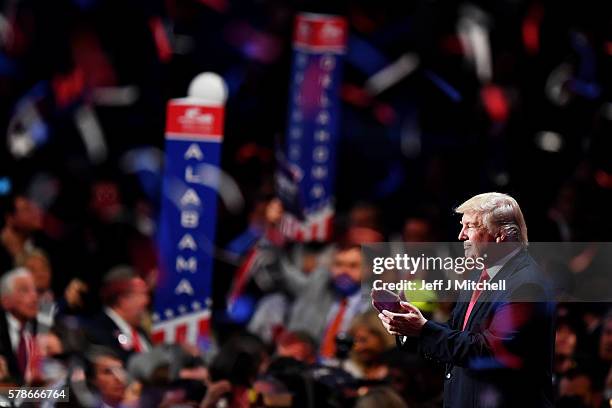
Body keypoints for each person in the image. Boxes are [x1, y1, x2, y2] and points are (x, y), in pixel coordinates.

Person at [377, 192, 555, 407]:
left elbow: (489, 351)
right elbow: (458, 334)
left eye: (470, 226)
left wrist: (423, 330)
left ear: (501, 234)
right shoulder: (478, 274)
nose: (461, 235)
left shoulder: (527, 284)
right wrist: (410, 328)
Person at [85, 266, 151, 362]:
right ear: (123, 299)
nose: (146, 301)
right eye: (141, 294)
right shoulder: (98, 333)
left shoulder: (141, 333)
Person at [0, 268, 40, 384]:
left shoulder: (43, 328)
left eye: (34, 290)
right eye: (25, 290)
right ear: (5, 301)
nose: (34, 297)